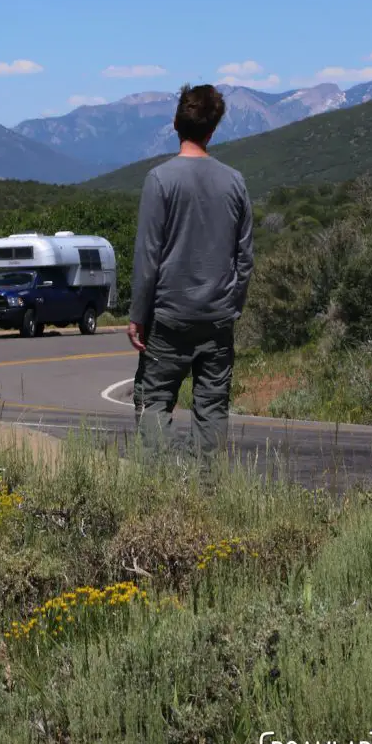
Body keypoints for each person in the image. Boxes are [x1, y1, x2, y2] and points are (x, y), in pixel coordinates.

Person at [127, 83, 254, 461]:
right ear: (212, 130)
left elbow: (148, 255)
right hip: (217, 319)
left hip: (168, 319)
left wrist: (138, 315)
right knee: (212, 408)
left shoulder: (160, 180)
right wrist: (232, 306)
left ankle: (164, 481)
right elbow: (245, 257)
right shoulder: (235, 182)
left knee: (153, 402)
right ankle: (205, 490)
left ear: (175, 124)